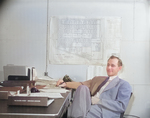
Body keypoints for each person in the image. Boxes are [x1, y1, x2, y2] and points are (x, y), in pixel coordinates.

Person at [56, 55, 132, 118]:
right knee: (83, 88)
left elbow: (121, 106)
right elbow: (82, 84)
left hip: (103, 110)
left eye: (112, 66)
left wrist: (99, 101)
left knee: (71, 111)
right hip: (88, 105)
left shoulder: (123, 84)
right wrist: (65, 84)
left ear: (119, 68)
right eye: (108, 65)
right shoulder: (99, 79)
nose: (109, 68)